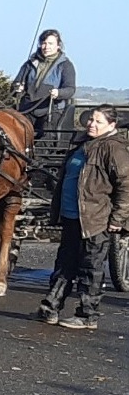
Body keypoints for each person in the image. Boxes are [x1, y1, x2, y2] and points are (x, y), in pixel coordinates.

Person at [37, 105, 129, 330]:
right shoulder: (82, 144)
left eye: (98, 121)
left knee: (91, 267)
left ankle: (88, 315)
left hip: (96, 218)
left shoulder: (114, 149)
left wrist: (118, 218)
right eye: (90, 120)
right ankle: (51, 307)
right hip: (71, 215)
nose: (91, 124)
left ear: (111, 125)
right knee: (64, 264)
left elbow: (125, 185)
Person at [12, 29, 76, 138]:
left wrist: (59, 93)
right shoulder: (29, 64)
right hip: (27, 109)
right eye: (44, 43)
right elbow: (15, 84)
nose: (46, 47)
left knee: (46, 139)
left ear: (58, 45)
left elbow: (70, 89)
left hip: (51, 110)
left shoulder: (65, 65)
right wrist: (17, 88)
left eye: (50, 43)